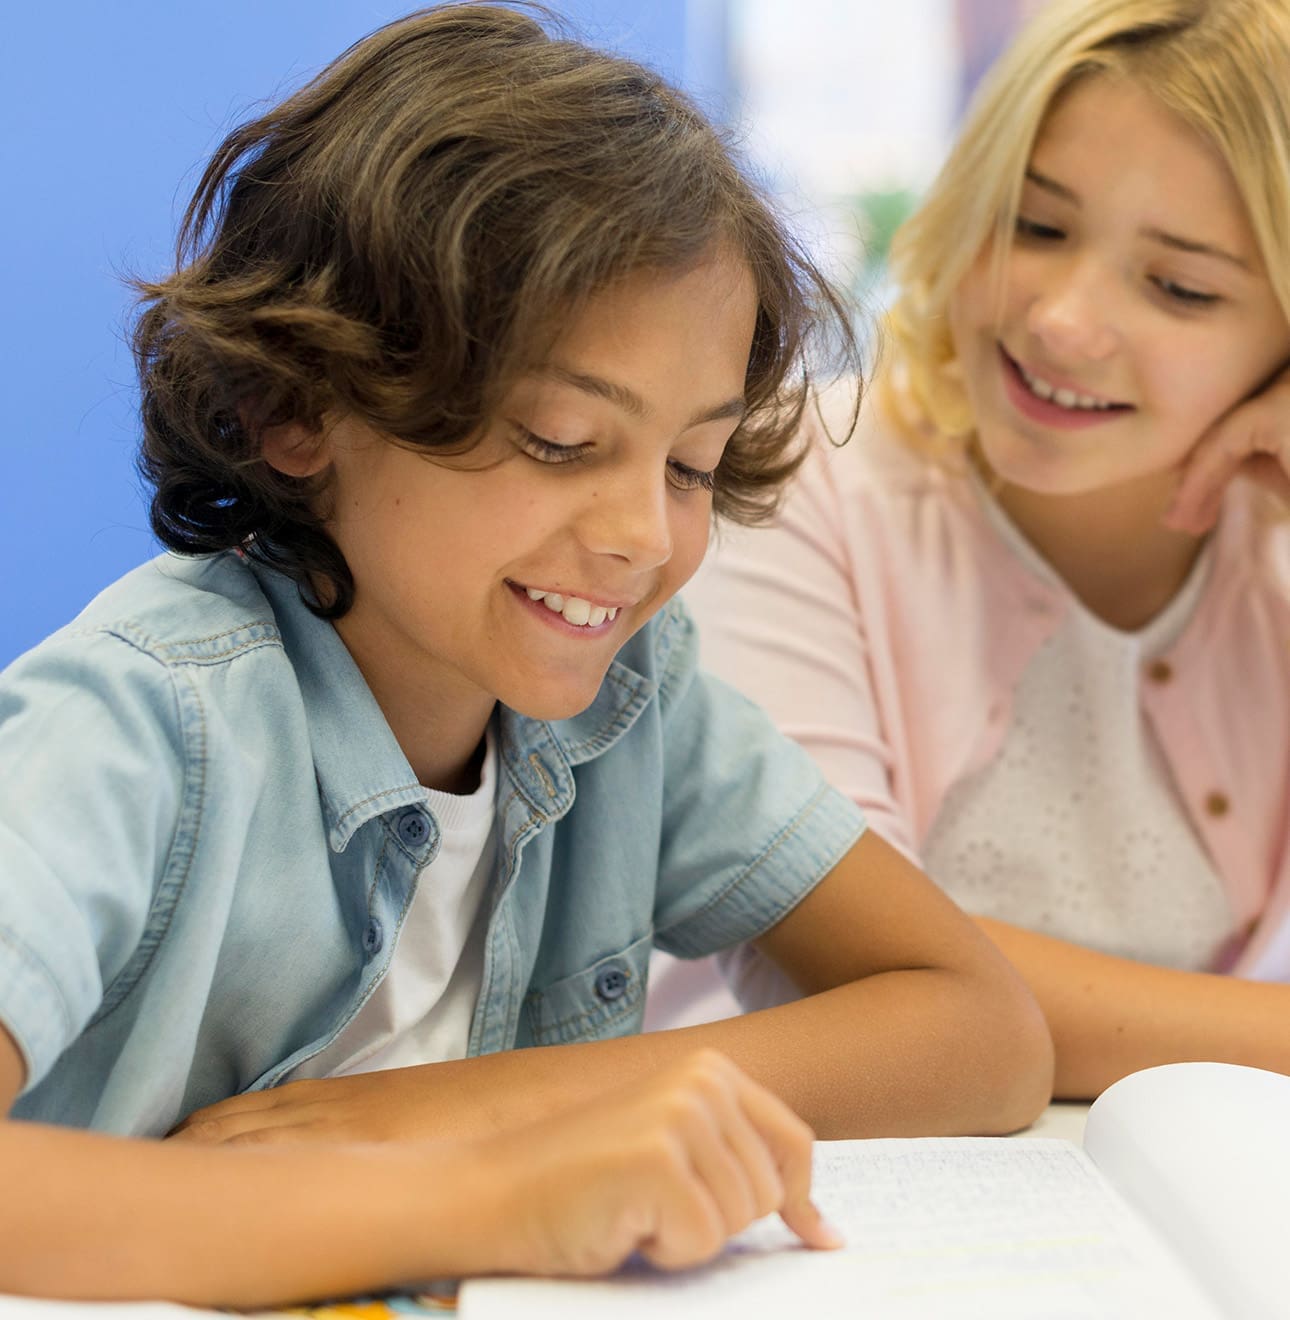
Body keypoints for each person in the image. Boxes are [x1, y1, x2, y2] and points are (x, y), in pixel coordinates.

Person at [0, 3, 1053, 1305]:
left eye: (689, 467)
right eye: (560, 441)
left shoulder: (632, 704)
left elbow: (977, 1030)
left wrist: (473, 1110)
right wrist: (507, 1192)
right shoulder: (137, 725)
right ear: (295, 408)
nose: (636, 539)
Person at [675, 0, 1290, 1101]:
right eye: (1037, 225)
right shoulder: (788, 474)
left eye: (1180, 287)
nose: (1060, 319)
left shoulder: (1273, 541)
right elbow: (854, 965)